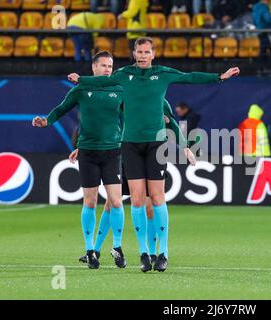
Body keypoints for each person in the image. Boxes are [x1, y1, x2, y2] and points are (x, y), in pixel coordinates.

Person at [67, 37, 240, 272]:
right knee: (129, 201)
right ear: (134, 53)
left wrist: (219, 77)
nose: (143, 55)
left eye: (147, 52)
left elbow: (189, 78)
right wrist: (82, 82)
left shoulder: (162, 77)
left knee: (153, 199)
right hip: (126, 146)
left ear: (153, 54)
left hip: (154, 146)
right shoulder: (122, 78)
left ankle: (162, 253)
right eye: (139, 51)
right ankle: (136, 253)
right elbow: (101, 96)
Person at [32, 51, 125, 270]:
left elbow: (130, 116)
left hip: (112, 151)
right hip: (89, 153)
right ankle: (90, 250)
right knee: (90, 202)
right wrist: (46, 121)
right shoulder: (81, 89)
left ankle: (117, 247)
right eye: (103, 65)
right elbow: (62, 108)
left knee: (116, 201)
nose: (107, 69)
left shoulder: (119, 89)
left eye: (110, 66)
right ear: (93, 67)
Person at [73, 101, 194, 265]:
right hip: (125, 153)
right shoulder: (124, 98)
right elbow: (106, 121)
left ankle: (151, 253)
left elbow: (171, 122)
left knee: (150, 205)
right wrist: (87, 144)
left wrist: (183, 145)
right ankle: (96, 250)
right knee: (111, 203)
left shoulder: (159, 99)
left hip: (150, 153)